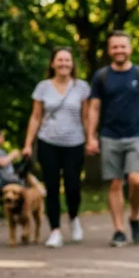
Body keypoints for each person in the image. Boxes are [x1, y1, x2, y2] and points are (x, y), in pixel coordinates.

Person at [86, 30, 139, 247]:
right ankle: (119, 229)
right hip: (109, 136)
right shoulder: (102, 77)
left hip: (136, 136)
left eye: (123, 46)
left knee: (136, 181)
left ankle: (135, 217)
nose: (119, 50)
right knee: (115, 184)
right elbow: (94, 108)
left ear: (130, 49)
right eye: (115, 47)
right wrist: (91, 137)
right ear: (109, 50)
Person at [21, 47, 90, 248]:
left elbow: (86, 117)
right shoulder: (43, 87)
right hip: (48, 142)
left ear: (72, 64)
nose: (63, 64)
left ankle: (74, 217)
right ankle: (55, 231)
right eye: (59, 60)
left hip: (75, 143)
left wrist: (91, 139)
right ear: (52, 63)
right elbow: (35, 117)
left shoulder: (82, 87)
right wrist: (27, 144)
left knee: (73, 186)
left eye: (67, 60)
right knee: (51, 187)